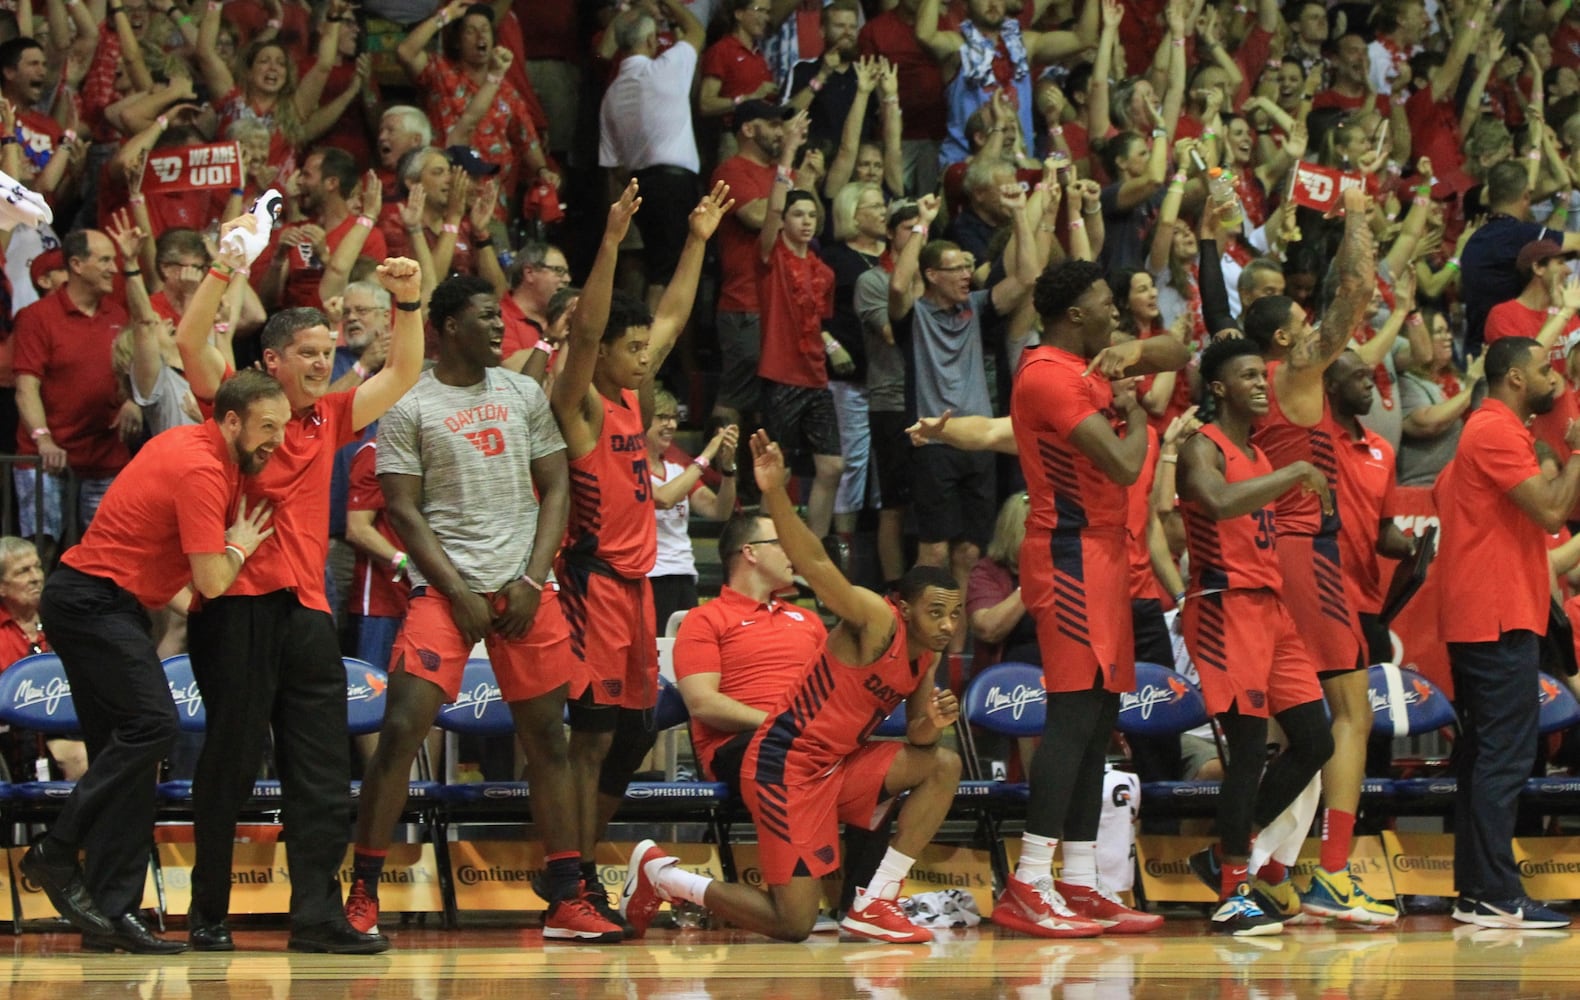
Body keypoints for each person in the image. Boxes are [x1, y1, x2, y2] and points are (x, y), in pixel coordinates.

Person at [174, 218, 426, 954]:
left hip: (308, 614)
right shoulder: (232, 404)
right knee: (229, 760)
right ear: (271, 358)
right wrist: (224, 268)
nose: (323, 363)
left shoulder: (331, 416)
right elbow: (191, 342)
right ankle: (209, 914)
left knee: (319, 772)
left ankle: (316, 915)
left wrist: (406, 303)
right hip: (235, 609)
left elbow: (403, 374)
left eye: (329, 351)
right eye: (308, 354)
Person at [345, 274, 614, 942]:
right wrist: (458, 590)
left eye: (501, 317)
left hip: (523, 586)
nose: (502, 329)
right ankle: (362, 891)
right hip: (446, 588)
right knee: (403, 726)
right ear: (447, 326)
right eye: (487, 318)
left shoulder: (523, 392)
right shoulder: (410, 404)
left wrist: (532, 575)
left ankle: (566, 897)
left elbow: (556, 489)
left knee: (547, 738)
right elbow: (401, 507)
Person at [620, 431, 963, 945]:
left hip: (836, 760)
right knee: (794, 923)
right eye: (937, 611)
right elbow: (818, 565)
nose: (948, 623)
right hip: (785, 762)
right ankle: (664, 876)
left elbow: (916, 736)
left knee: (942, 763)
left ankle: (874, 899)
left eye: (955, 614)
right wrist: (776, 491)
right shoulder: (869, 619)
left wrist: (930, 726)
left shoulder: (819, 624)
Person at [21, 371, 285, 954]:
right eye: (268, 428)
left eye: (284, 428)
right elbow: (212, 579)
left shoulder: (189, 444)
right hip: (92, 602)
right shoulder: (203, 469)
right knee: (154, 725)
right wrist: (240, 542)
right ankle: (57, 849)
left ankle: (110, 914)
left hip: (102, 602)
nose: (277, 441)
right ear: (233, 421)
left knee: (132, 760)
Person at [550, 180, 731, 927]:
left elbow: (673, 316)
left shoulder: (631, 395)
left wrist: (695, 240)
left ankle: (581, 868)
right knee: (590, 740)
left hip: (641, 587)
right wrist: (612, 242)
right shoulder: (582, 400)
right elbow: (592, 334)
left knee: (628, 736)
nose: (643, 358)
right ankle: (572, 884)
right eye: (630, 350)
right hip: (594, 586)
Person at [996, 258, 1186, 938]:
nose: (1117, 310)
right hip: (1069, 551)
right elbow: (1127, 463)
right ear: (1074, 314)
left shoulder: (1089, 365)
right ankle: (1029, 880)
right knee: (1073, 716)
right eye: (1106, 302)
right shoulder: (1049, 375)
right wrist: (1135, 414)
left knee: (1100, 711)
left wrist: (1133, 352)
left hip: (1107, 553)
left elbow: (1179, 349)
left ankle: (1078, 881)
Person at [1236, 187, 1396, 925]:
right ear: (1283, 341)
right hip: (1307, 550)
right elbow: (1357, 290)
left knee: (1300, 725)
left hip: (1276, 554)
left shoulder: (1262, 388)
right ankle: (1333, 872)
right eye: (1305, 326)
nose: (1320, 334)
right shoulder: (1295, 372)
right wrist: (1358, 211)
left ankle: (1268, 865)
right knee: (1351, 715)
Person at [1177, 336, 1336, 936]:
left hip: (1272, 611)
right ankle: (1231, 891)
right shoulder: (1202, 447)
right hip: (1224, 607)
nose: (1260, 385)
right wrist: (1298, 469)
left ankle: (1226, 855)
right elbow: (1215, 504)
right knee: (1246, 753)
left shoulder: (1261, 456)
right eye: (1247, 376)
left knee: (1316, 741)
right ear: (1218, 388)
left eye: (1261, 377)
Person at [1435, 335, 1580, 930]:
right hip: (1495, 618)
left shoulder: (1487, 433)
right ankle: (1495, 891)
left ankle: (1476, 891)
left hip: (1491, 613)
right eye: (1544, 370)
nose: (1552, 379)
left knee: (1484, 758)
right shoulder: (1492, 430)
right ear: (1515, 379)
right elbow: (1550, 511)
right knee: (1505, 757)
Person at [599, 0, 707, 312]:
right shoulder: (666, 68)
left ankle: (663, 352)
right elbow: (696, 30)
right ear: (650, 41)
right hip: (674, 186)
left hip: (641, 187)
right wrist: (670, 4)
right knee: (668, 274)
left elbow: (614, 164)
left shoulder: (612, 94)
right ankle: (650, 348)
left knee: (662, 268)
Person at [1324, 350, 1418, 665]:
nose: (1369, 385)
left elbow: (1383, 530)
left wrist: (1410, 546)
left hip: (1367, 600)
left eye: (1370, 377)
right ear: (1331, 385)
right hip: (1321, 599)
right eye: (1358, 377)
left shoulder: (1382, 450)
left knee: (1377, 703)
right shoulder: (1310, 440)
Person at [646, 389, 738, 631]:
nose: (671, 424)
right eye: (662, 417)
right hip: (650, 578)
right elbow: (664, 498)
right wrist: (707, 455)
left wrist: (728, 470)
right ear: (642, 420)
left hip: (684, 574)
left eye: (674, 417)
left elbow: (719, 510)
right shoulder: (630, 466)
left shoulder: (677, 470)